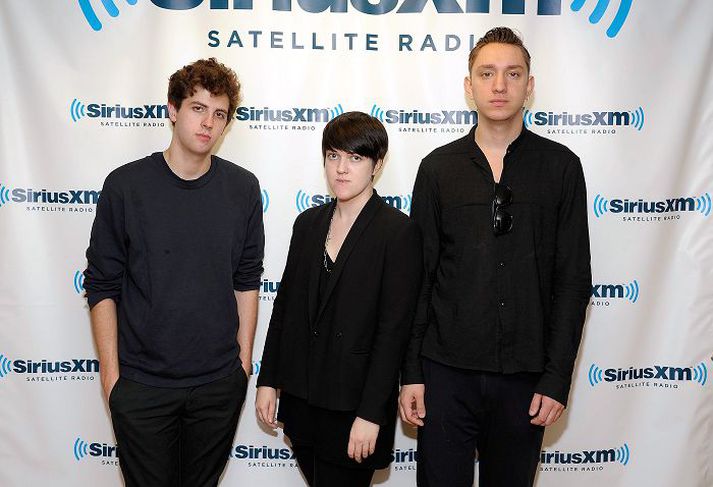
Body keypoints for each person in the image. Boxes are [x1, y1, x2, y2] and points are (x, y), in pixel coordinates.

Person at [399, 27, 592, 487]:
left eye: (512, 74)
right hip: (445, 374)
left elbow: (572, 280)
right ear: (470, 87)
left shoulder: (562, 167)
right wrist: (411, 373)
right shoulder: (437, 168)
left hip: (527, 377)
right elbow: (418, 279)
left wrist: (556, 378)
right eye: (487, 74)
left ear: (530, 85)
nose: (499, 86)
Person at [83, 58, 264, 487]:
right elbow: (102, 286)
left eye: (219, 114)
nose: (208, 123)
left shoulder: (242, 189)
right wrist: (113, 380)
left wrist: (242, 365)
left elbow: (247, 279)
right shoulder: (126, 186)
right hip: (142, 387)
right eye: (198, 108)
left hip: (218, 384)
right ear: (172, 109)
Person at [255, 111, 422, 486]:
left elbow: (393, 333)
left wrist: (371, 414)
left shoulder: (397, 232)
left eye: (355, 158)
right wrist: (268, 380)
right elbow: (285, 309)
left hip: (354, 407)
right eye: (333, 156)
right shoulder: (308, 223)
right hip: (302, 398)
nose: (342, 169)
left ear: (376, 165)